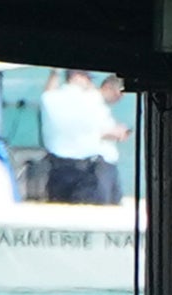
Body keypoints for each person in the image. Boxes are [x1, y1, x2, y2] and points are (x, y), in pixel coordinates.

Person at [41, 69, 125, 205]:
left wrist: (54, 72)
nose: (90, 82)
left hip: (57, 168)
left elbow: (47, 93)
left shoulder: (50, 99)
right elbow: (100, 129)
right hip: (87, 169)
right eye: (88, 78)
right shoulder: (90, 100)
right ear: (77, 77)